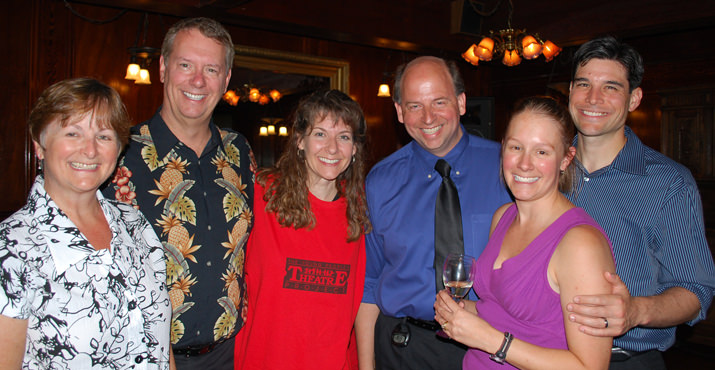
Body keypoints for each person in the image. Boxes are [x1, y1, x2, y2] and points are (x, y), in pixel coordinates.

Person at [103, 17, 254, 370]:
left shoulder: (240, 151)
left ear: (226, 79)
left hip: (229, 355)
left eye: (211, 69)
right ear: (163, 68)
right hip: (144, 356)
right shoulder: (118, 152)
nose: (197, 81)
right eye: (185, 65)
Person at [563, 36, 715, 369]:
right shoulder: (542, 170)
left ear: (634, 99)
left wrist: (635, 311)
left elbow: (695, 291)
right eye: (583, 84)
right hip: (540, 354)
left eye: (611, 88)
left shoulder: (668, 184)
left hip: (625, 361)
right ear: (570, 91)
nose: (593, 98)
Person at [0, 77, 172, 369]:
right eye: (72, 133)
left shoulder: (135, 224)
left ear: (118, 150)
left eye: (104, 136)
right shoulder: (11, 250)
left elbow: (161, 347)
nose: (90, 150)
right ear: (39, 145)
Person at [434, 96, 616, 369]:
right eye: (516, 147)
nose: (524, 164)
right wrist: (461, 314)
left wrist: (492, 341)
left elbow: (590, 366)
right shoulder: (503, 216)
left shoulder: (581, 244)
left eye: (541, 152)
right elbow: (506, 314)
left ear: (566, 159)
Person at [356, 56, 512, 370]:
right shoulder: (380, 181)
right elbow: (369, 282)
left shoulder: (508, 169)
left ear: (462, 102)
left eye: (439, 102)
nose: (428, 118)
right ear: (399, 112)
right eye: (414, 106)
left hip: (490, 344)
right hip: (404, 348)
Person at [234, 89, 370, 369]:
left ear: (355, 148)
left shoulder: (360, 211)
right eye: (320, 134)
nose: (332, 148)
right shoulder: (260, 194)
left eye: (343, 137)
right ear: (299, 141)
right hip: (265, 360)